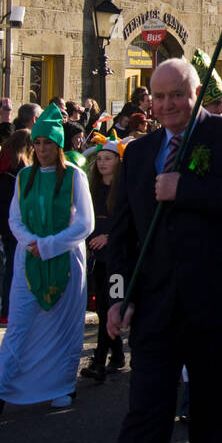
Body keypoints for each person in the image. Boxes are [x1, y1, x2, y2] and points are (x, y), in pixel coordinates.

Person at [105, 58, 222, 443]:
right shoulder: (138, 153)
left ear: (196, 95)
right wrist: (116, 296)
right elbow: (122, 236)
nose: (166, 104)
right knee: (145, 414)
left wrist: (186, 188)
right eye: (158, 97)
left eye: (177, 94)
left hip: (217, 305)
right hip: (156, 308)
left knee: (211, 417)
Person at [0, 103, 93, 416]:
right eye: (38, 142)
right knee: (19, 326)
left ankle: (63, 385)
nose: (43, 148)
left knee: (64, 326)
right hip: (28, 260)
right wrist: (32, 243)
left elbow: (84, 223)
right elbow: (14, 219)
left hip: (66, 261)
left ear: (58, 145)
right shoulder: (25, 176)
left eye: (49, 142)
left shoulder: (74, 177)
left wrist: (49, 245)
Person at [81, 138, 126, 382]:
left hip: (117, 260)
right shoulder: (93, 189)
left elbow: (130, 221)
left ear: (118, 162)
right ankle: (117, 354)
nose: (102, 163)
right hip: (99, 259)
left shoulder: (123, 190)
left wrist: (109, 236)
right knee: (102, 308)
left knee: (112, 306)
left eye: (107, 159)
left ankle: (99, 361)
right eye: (99, 159)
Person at [0, 129, 31, 326]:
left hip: (5, 223)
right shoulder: (21, 169)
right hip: (19, 224)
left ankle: (6, 312)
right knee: (17, 270)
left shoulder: (0, 164)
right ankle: (11, 311)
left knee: (10, 268)